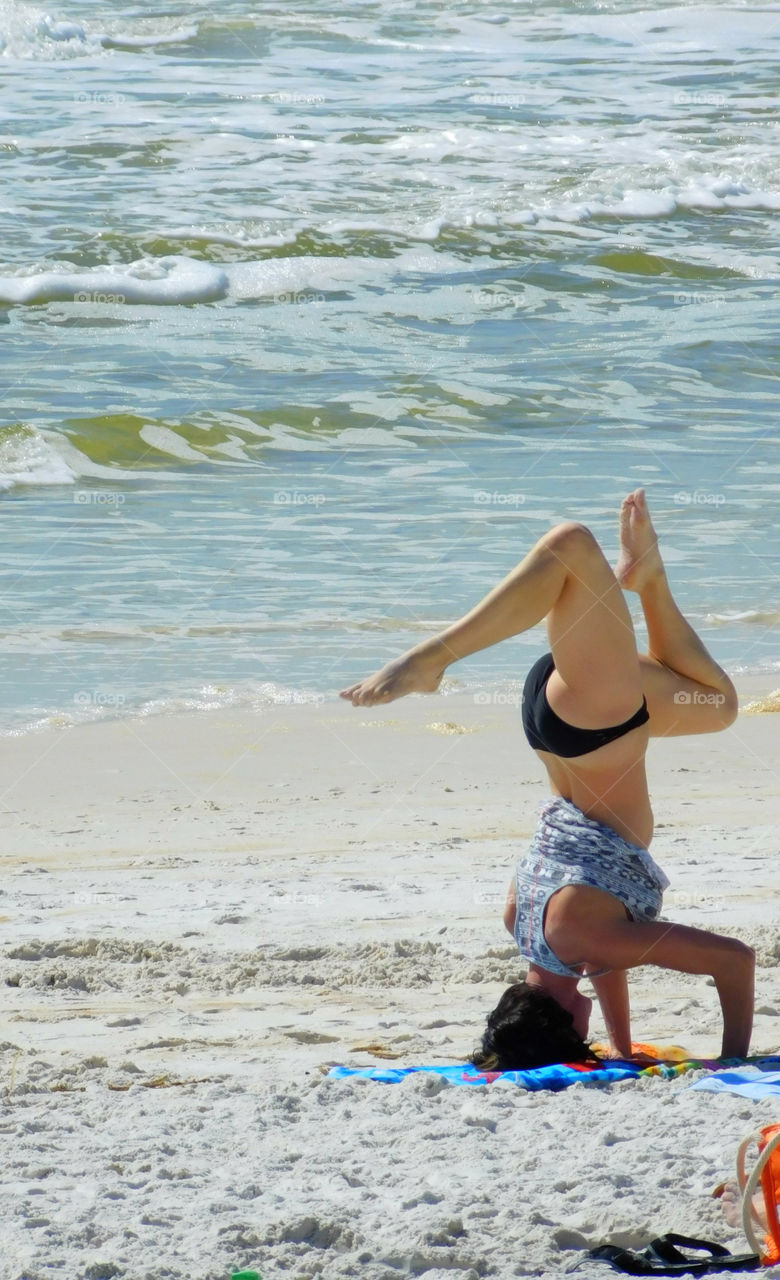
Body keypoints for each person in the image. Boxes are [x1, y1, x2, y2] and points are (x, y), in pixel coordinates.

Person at [340, 490, 754, 1067]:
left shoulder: (586, 941)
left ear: (564, 1022)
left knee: (571, 547)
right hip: (558, 728)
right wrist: (627, 1048)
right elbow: (604, 963)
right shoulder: (529, 931)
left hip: (596, 728)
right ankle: (647, 581)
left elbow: (735, 960)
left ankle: (432, 658)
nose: (592, 1037)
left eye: (580, 1038)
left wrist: (732, 1060)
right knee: (715, 706)